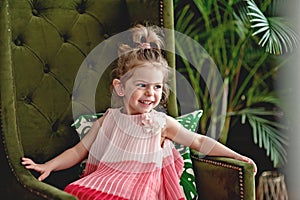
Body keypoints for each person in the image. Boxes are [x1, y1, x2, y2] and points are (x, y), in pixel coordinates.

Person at [22, 24, 257, 200]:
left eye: (157, 87)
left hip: (142, 191)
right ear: (121, 87)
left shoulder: (161, 123)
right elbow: (78, 151)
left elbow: (198, 141)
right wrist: (49, 166)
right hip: (107, 183)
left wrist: (237, 156)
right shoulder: (109, 119)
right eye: (141, 85)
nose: (150, 93)